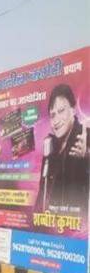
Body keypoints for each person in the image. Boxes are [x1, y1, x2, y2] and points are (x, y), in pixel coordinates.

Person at [35, 84, 89, 217]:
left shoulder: (86, 136)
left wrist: (86, 156)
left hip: (78, 228)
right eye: (52, 115)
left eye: (61, 111)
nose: (56, 120)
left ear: (73, 109)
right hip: (50, 226)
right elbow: (42, 192)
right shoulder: (50, 147)